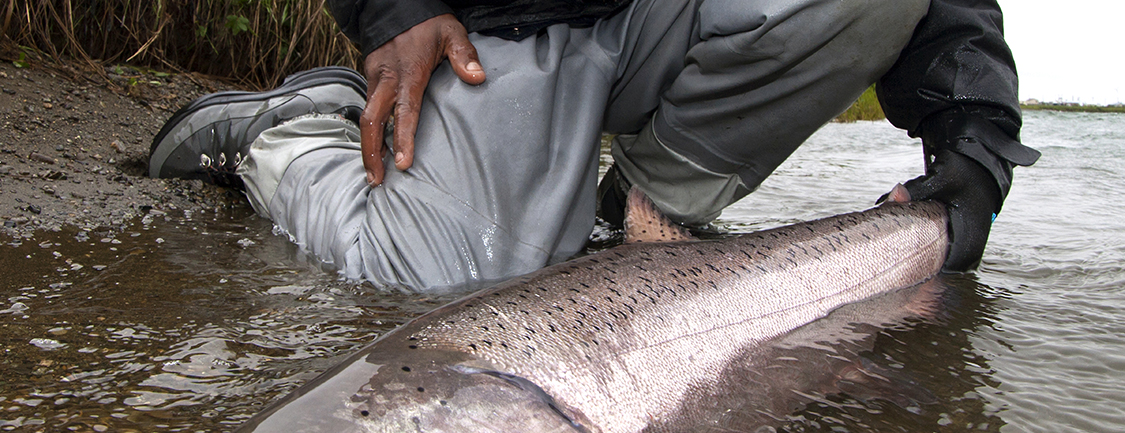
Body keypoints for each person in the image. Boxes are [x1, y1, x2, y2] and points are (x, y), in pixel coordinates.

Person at [149, 0, 1039, 292]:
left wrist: (973, 143)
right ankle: (296, 131)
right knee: (441, 281)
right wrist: (395, 10)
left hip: (677, 20)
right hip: (496, 30)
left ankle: (646, 216)